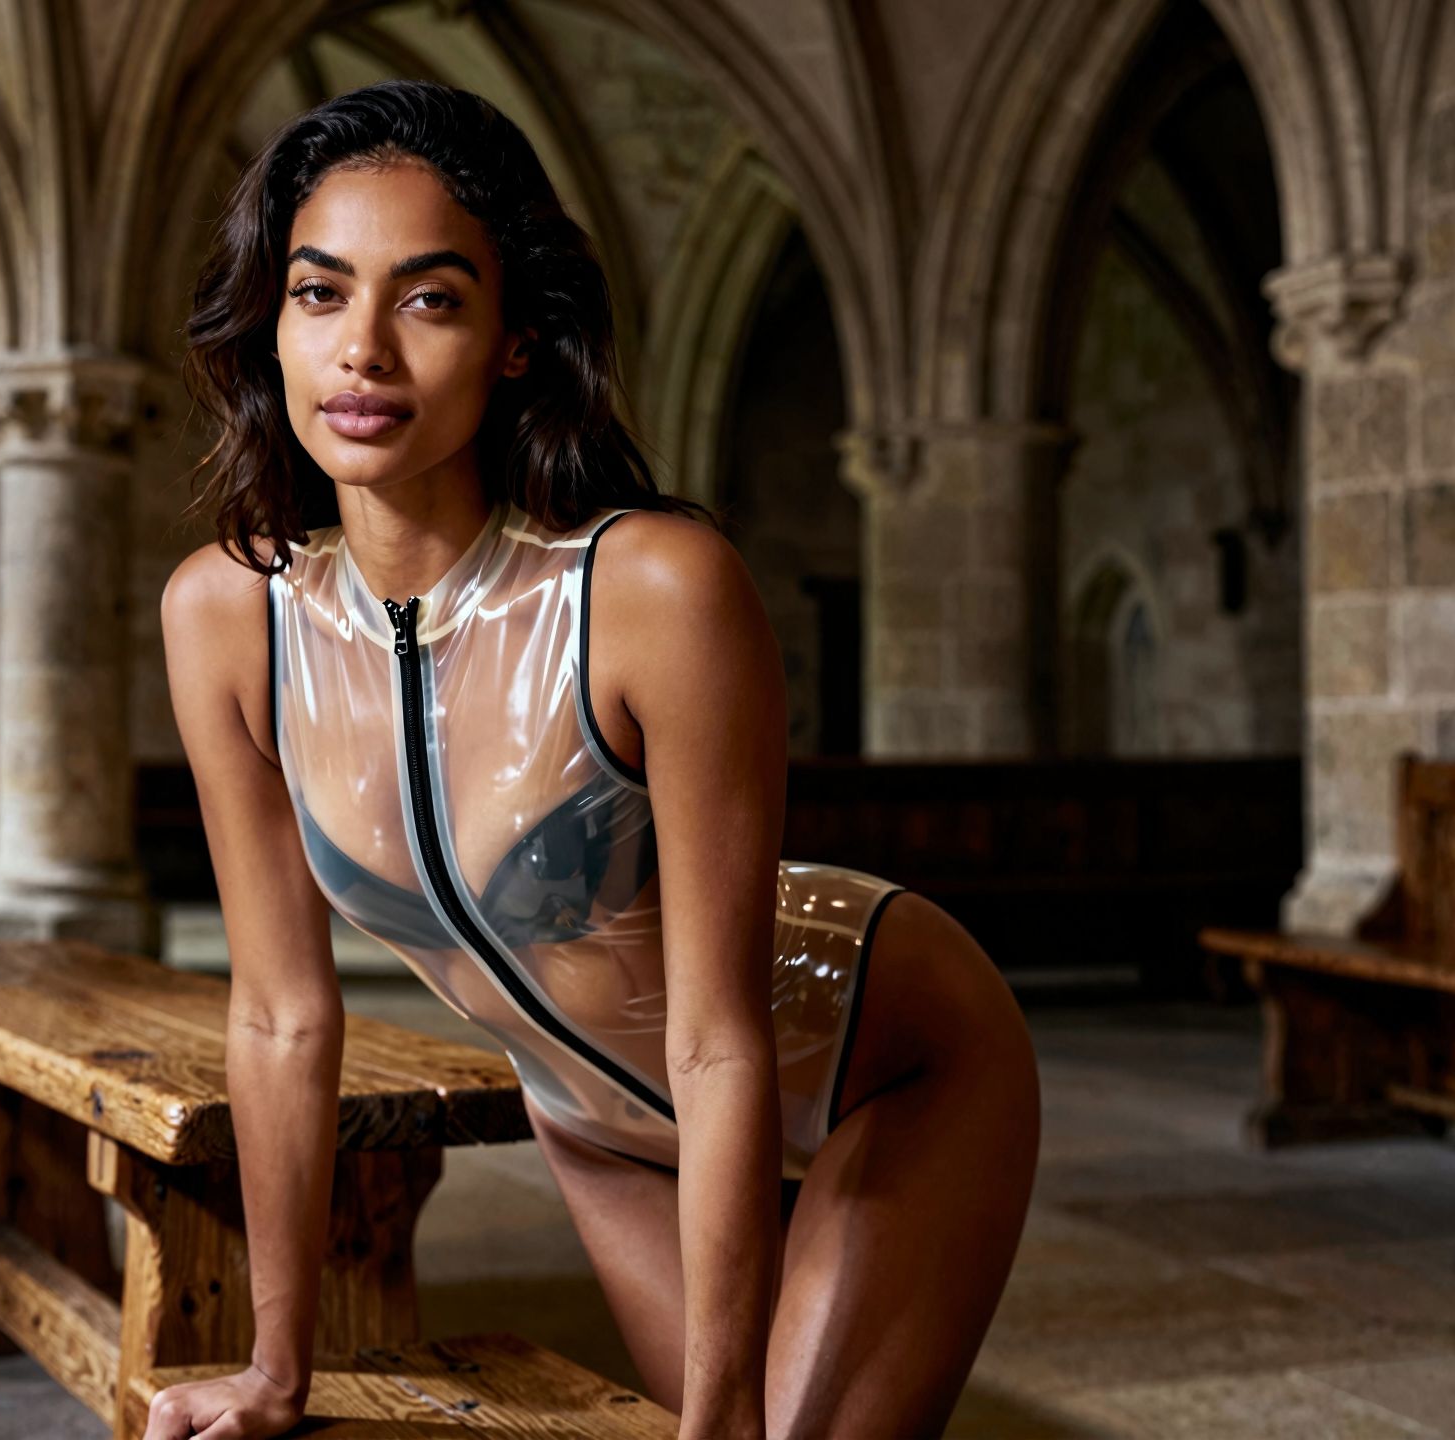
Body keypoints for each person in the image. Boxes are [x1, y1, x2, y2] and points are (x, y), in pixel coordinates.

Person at [154, 79, 1039, 1440]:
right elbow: (280, 1017)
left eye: (432, 299)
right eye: (321, 293)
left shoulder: (654, 589)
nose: (365, 352)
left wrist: (723, 1421)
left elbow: (718, 1035)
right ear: (271, 322)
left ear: (515, 339)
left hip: (887, 1060)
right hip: (601, 1134)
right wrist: (279, 1371)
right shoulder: (224, 619)